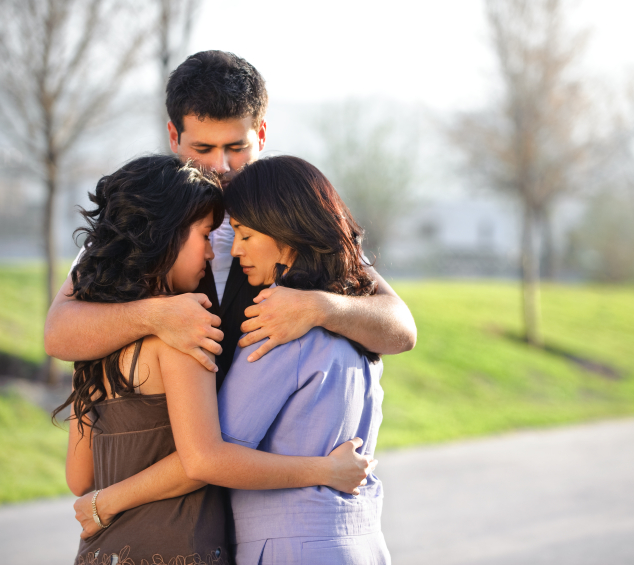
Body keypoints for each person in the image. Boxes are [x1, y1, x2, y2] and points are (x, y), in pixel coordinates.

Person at [46, 49, 416, 536]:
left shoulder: (290, 220)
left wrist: (320, 307)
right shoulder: (143, 229)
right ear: (173, 136)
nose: (222, 166)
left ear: (261, 133)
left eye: (236, 147)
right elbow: (59, 334)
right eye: (202, 149)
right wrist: (157, 317)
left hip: (260, 512)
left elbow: (400, 326)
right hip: (172, 511)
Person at [56, 155, 374, 565]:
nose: (212, 252)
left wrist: (102, 502)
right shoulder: (186, 336)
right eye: (206, 235)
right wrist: (325, 471)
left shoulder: (92, 352)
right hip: (176, 551)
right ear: (165, 237)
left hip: (102, 551)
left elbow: (78, 480)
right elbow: (205, 459)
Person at [218, 155, 390, 564]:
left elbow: (216, 458)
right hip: (360, 541)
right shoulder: (355, 321)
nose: (235, 249)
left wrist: (109, 499)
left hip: (292, 548)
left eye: (243, 233)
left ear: (285, 231)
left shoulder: (280, 329)